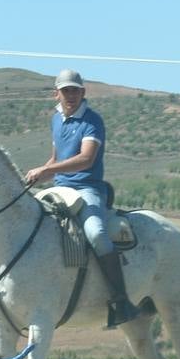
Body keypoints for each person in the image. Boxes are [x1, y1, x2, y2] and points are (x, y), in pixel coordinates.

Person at [25, 69, 141, 328]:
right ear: (56, 93)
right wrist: (38, 175)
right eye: (66, 90)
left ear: (83, 92)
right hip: (59, 188)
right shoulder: (56, 120)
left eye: (75, 90)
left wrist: (47, 171)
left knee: (97, 233)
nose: (71, 95)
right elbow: (57, 159)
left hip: (87, 188)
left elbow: (86, 159)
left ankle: (121, 300)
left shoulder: (92, 120)